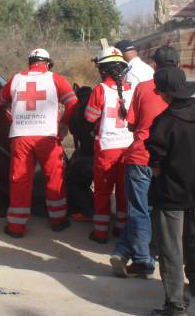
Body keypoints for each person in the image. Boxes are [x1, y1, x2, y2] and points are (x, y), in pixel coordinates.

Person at [146, 66, 195, 316]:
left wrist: (157, 171)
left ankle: (175, 307)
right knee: (190, 236)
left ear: (166, 93)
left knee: (170, 249)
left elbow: (155, 163)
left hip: (171, 194)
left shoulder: (165, 123)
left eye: (159, 92)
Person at [0, 48, 78, 238]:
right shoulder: (55, 79)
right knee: (54, 178)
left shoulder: (16, 79)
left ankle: (15, 227)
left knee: (20, 180)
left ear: (30, 63)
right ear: (47, 64)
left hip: (21, 137)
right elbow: (73, 102)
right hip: (47, 136)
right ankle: (58, 221)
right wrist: (64, 124)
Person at [109, 45, 173, 278]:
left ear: (155, 65)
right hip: (167, 159)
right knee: (147, 209)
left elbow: (132, 124)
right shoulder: (180, 91)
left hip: (139, 156)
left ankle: (136, 258)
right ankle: (132, 255)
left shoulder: (143, 87)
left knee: (139, 210)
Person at [83, 48, 135, 243]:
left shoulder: (100, 89)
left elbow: (90, 117)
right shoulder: (133, 89)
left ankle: (100, 232)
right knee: (123, 190)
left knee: (103, 191)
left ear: (103, 69)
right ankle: (120, 228)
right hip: (128, 148)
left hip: (107, 149)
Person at [66, 85, 95, 223]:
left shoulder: (79, 108)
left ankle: (87, 212)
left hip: (88, 154)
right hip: (107, 151)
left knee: (73, 181)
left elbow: (73, 129)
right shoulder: (100, 104)